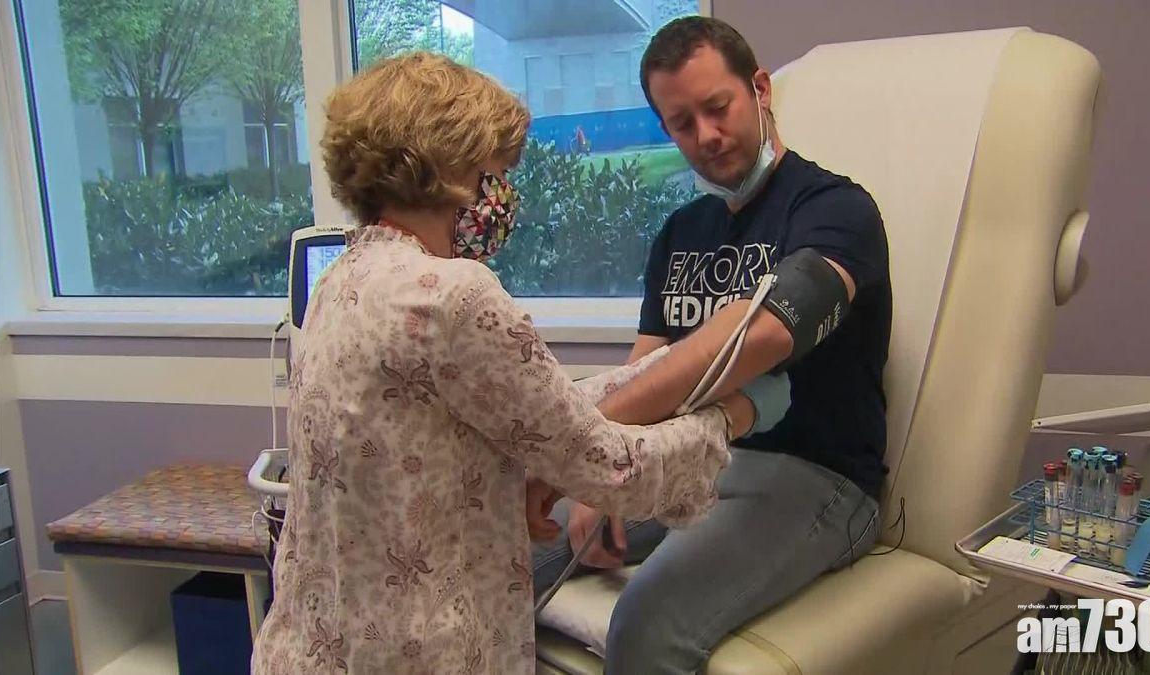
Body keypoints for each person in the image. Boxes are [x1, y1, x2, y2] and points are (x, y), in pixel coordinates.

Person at [249, 52, 776, 674]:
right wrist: (733, 414)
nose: (502, 195)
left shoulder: (340, 280)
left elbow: (533, 403)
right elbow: (612, 468)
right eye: (496, 172)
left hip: (310, 647)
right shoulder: (451, 295)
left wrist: (674, 366)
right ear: (450, 165)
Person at [531, 17, 892, 674]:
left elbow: (765, 334)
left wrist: (582, 447)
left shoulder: (835, 210)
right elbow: (645, 369)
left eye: (718, 107)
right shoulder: (680, 232)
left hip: (817, 475)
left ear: (760, 89)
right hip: (690, 461)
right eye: (682, 123)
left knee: (645, 621)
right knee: (508, 553)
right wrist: (598, 478)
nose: (706, 135)